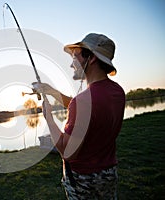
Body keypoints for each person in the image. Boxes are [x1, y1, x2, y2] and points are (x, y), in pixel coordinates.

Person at [33, 33, 125, 199]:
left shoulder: (83, 102)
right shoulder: (117, 92)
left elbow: (66, 151)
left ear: (92, 58)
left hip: (83, 180)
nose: (71, 64)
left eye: (75, 57)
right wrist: (51, 92)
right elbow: (88, 113)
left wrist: (49, 119)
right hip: (109, 174)